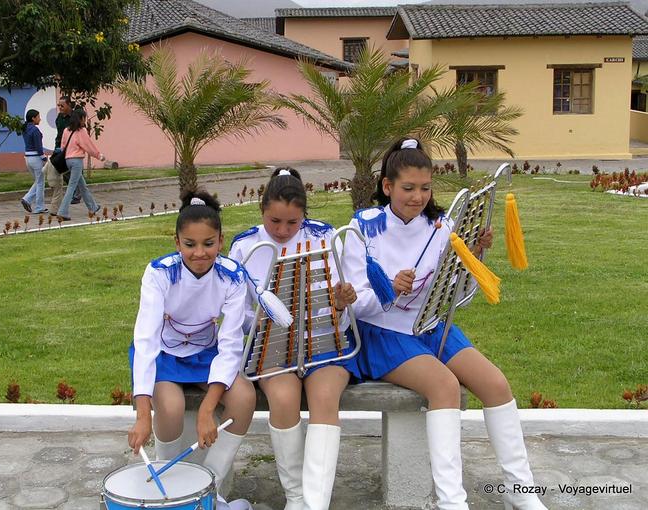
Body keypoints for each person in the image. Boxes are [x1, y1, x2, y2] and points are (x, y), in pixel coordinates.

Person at [340, 138, 547, 510]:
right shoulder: (362, 229)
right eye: (407, 188)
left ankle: (522, 492)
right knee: (444, 386)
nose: (417, 197)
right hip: (383, 332)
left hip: (431, 324)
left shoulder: (441, 226)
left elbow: (458, 294)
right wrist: (388, 292)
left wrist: (474, 256)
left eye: (425, 188)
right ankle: (452, 502)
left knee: (496, 383)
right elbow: (354, 306)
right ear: (387, 187)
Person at [228, 168, 359, 510]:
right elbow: (235, 315)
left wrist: (342, 302)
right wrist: (260, 320)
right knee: (284, 399)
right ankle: (297, 498)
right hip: (272, 348)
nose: (284, 231)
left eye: (293, 223)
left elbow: (342, 314)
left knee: (324, 399)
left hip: (326, 345)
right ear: (261, 210)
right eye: (275, 222)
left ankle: (314, 504)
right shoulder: (245, 246)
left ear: (304, 215)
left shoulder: (326, 237)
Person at [128, 190, 257, 492]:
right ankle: (168, 486)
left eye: (209, 244)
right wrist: (143, 415)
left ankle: (209, 485)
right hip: (165, 353)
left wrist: (206, 408)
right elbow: (145, 341)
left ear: (221, 241)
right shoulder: (159, 273)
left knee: (244, 396)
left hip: (207, 352)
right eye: (190, 244)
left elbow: (230, 345)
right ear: (177, 243)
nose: (200, 253)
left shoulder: (233, 276)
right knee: (170, 408)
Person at [56, 110, 105, 221]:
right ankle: (62, 211)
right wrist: (99, 156)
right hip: (77, 161)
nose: (85, 120)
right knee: (72, 186)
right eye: (84, 118)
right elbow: (88, 146)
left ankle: (93, 207)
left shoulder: (66, 130)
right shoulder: (81, 131)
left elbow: (63, 147)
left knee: (82, 186)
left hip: (68, 160)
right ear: (81, 118)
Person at [54, 95, 82, 205]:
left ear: (69, 105)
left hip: (73, 148)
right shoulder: (59, 117)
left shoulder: (75, 117)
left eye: (62, 105)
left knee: (76, 172)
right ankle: (77, 192)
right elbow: (59, 132)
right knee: (62, 170)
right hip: (60, 146)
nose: (60, 107)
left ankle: (76, 195)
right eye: (58, 105)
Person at [20, 109, 48, 214]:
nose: (40, 119)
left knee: (38, 181)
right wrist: (44, 158)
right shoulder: (35, 130)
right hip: (36, 158)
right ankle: (37, 205)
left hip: (28, 157)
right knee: (40, 183)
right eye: (38, 117)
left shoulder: (25, 129)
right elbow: (38, 147)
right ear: (33, 118)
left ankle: (28, 200)